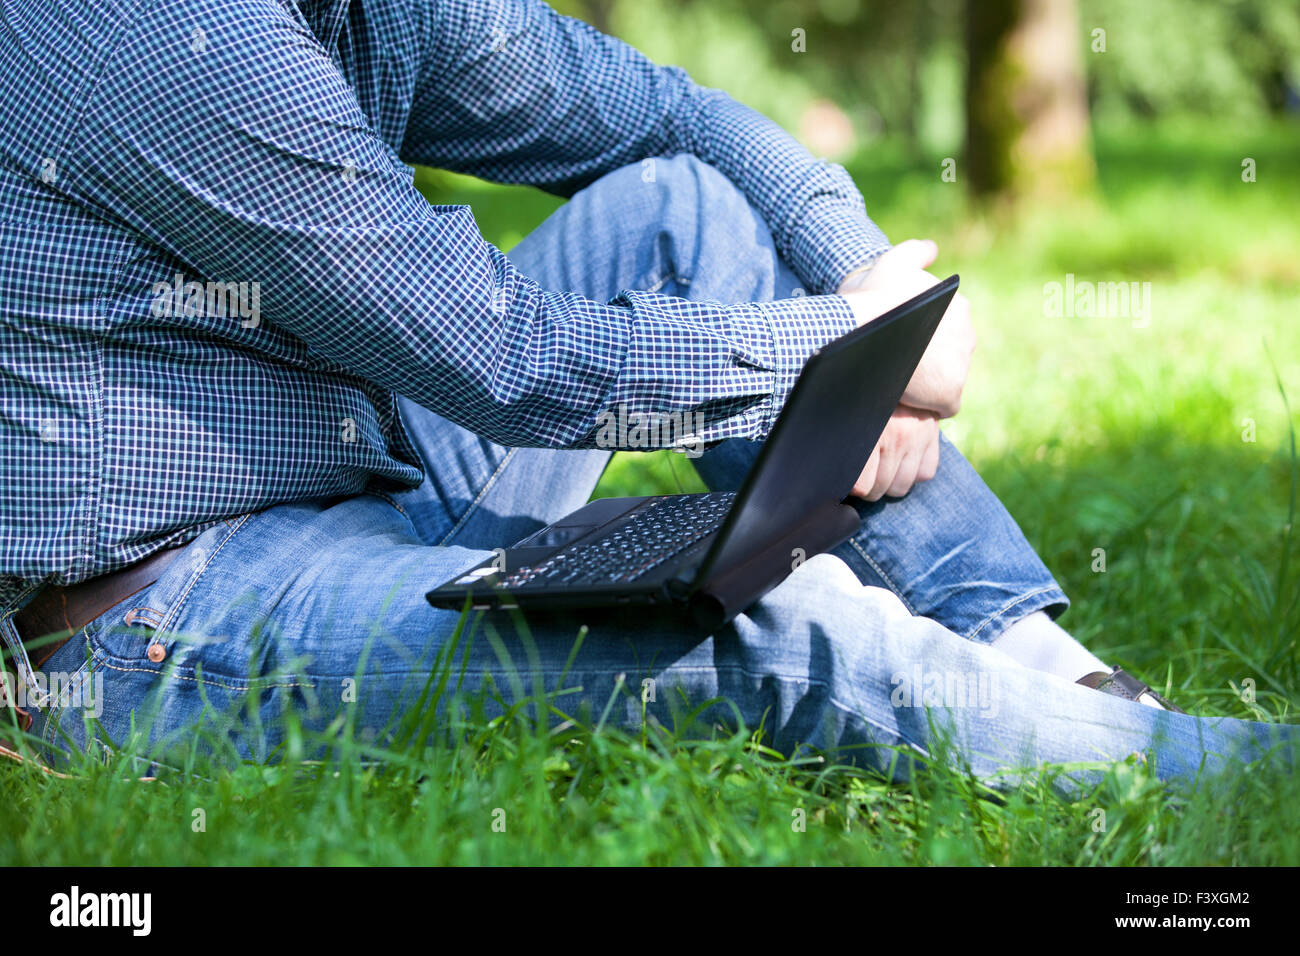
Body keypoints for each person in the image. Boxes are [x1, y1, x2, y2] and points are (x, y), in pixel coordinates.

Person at [0, 0, 1291, 779]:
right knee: (765, 624)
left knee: (680, 211)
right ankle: (1211, 782)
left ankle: (1042, 671)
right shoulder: (165, 41)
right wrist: (827, 345)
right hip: (167, 617)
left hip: (366, 468)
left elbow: (674, 120)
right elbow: (509, 361)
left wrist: (865, 313)